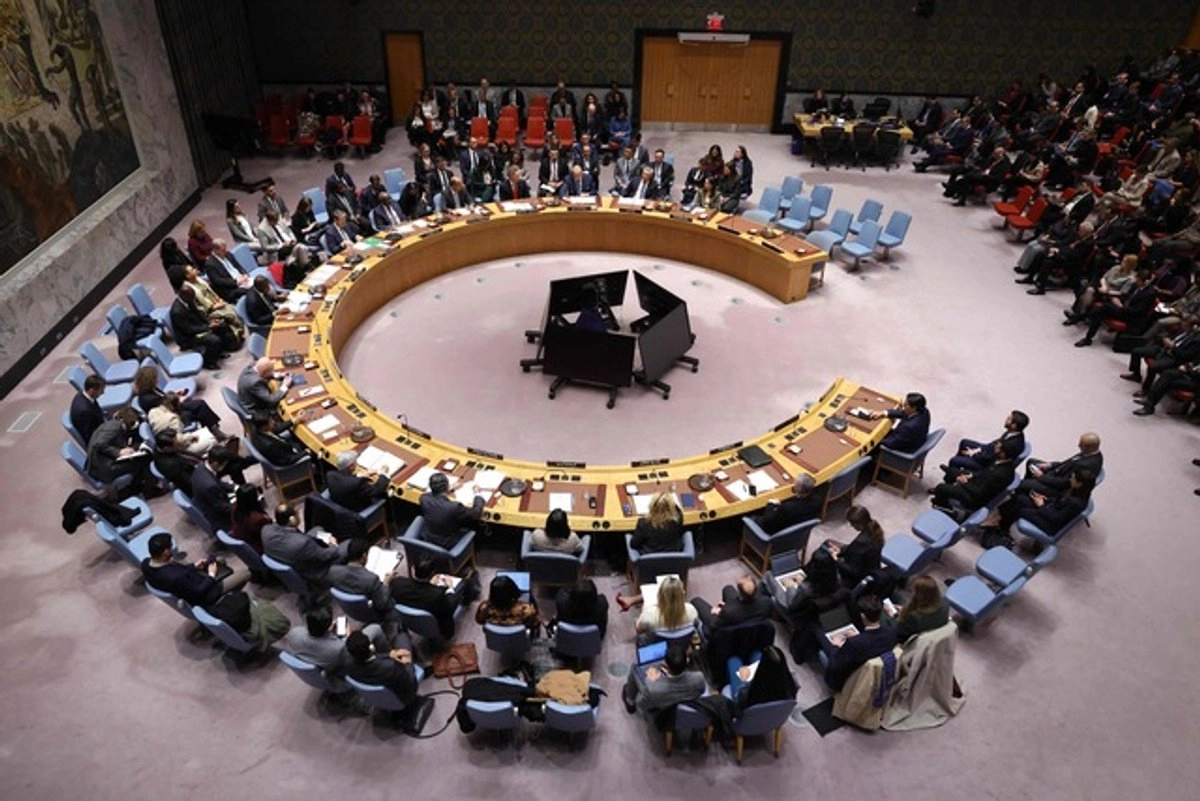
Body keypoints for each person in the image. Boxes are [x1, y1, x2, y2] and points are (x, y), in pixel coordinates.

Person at [141, 531, 250, 609]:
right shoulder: (174, 577)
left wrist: (194, 566)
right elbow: (199, 591)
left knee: (219, 560)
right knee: (246, 574)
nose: (172, 549)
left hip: (189, 584)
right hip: (206, 594)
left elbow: (180, 573)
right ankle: (227, 600)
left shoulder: (145, 564)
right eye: (170, 547)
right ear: (165, 552)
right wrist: (211, 575)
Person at [261, 503, 350, 587]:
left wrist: (326, 539)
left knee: (317, 529)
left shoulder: (265, 530)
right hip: (314, 570)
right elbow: (325, 556)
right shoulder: (302, 544)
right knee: (349, 544)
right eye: (297, 514)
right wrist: (334, 545)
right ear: (292, 519)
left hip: (292, 556)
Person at [823, 594, 898, 692]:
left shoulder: (854, 643)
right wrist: (858, 637)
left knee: (824, 647)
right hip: (878, 674)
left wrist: (836, 646)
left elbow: (835, 666)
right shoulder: (891, 632)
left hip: (849, 680)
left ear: (862, 616)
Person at [930, 438, 1022, 514]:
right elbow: (983, 473)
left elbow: (980, 492)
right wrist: (970, 476)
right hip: (976, 483)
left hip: (974, 498)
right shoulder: (1002, 462)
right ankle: (950, 481)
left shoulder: (999, 474)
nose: (995, 447)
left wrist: (964, 482)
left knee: (940, 488)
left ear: (1003, 453)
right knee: (953, 472)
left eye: (998, 448)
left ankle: (945, 507)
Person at [389, 557, 471, 640]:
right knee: (465, 583)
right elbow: (450, 606)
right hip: (439, 625)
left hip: (412, 623)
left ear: (413, 569)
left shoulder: (397, 584)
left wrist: (431, 586)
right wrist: (450, 587)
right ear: (432, 573)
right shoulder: (437, 594)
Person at [85, 408, 159, 495]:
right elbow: (98, 444)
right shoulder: (114, 428)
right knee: (144, 459)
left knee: (137, 456)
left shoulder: (113, 423)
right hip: (105, 468)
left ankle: (136, 486)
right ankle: (149, 491)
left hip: (102, 459)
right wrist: (118, 452)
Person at [341, 629, 418, 709]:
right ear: (371, 647)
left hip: (376, 695)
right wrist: (408, 663)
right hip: (405, 696)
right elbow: (410, 680)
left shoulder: (347, 665)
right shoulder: (391, 667)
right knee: (402, 636)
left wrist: (388, 655)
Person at [943, 410, 1029, 480]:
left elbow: (991, 458)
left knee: (954, 461)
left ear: (1014, 425)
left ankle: (949, 480)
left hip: (987, 465)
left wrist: (974, 454)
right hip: (988, 453)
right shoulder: (1013, 432)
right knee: (964, 442)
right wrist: (979, 449)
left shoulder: (1012, 444)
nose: (1006, 419)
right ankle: (955, 472)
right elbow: (995, 443)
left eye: (1009, 419)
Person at [621, 643, 705, 714]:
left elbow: (640, 704)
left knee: (634, 669)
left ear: (667, 667)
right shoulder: (699, 678)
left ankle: (630, 702)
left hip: (659, 702)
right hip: (679, 702)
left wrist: (650, 679)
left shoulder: (652, 687)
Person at [327, 538, 397, 622]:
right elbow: (382, 604)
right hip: (375, 612)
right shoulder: (371, 579)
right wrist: (386, 582)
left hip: (353, 611)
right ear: (364, 556)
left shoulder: (332, 571)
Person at [823, 505, 885, 588]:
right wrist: (840, 550)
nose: (851, 526)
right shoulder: (874, 530)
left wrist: (836, 560)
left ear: (858, 524)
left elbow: (853, 571)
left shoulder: (861, 542)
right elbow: (854, 549)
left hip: (855, 578)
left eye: (852, 524)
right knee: (830, 544)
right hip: (870, 567)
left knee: (824, 555)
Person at [418, 472, 484, 548]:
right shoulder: (454, 507)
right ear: (447, 486)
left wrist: (449, 489)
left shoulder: (423, 498)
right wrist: (478, 495)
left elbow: (430, 494)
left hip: (427, 537)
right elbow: (476, 514)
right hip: (446, 544)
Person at [618, 575, 698, 635]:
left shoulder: (649, 614)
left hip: (657, 644)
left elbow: (639, 630)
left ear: (659, 597)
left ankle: (631, 600)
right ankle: (631, 600)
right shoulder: (692, 611)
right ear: (682, 595)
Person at [691, 575, 773, 633]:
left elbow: (713, 625)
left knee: (696, 601)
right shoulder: (767, 602)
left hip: (731, 629)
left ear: (740, 594)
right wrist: (726, 607)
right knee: (728, 588)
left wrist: (715, 613)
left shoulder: (728, 612)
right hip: (748, 619)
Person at [725, 644, 797, 710]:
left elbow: (741, 696)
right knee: (756, 654)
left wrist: (747, 682)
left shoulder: (753, 691)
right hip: (770, 704)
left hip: (745, 698)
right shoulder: (791, 686)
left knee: (734, 660)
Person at [752, 474, 821, 534]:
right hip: (796, 531)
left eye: (795, 483)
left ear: (798, 488)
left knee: (751, 517)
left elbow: (768, 521)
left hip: (776, 532)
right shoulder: (817, 501)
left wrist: (771, 504)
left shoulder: (788, 508)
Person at [474, 574, 540, 633]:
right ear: (513, 591)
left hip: (496, 639)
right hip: (518, 639)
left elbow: (479, 621)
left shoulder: (484, 608)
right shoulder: (526, 609)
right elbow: (536, 624)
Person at [893, 575, 950, 643]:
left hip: (910, 639)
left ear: (919, 595)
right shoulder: (945, 604)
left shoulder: (914, 617)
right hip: (933, 633)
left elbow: (900, 633)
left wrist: (896, 616)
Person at [190, 449, 236, 531]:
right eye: (224, 464)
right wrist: (240, 507)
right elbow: (222, 508)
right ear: (215, 463)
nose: (224, 467)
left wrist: (234, 487)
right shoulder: (210, 486)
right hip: (217, 516)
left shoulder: (201, 466)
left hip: (209, 501)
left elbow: (218, 483)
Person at [237, 357, 291, 425]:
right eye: (271, 371)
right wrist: (285, 386)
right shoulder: (255, 382)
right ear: (264, 372)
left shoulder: (251, 367)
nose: (272, 372)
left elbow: (263, 372)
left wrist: (276, 375)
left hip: (247, 399)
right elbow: (271, 399)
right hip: (256, 410)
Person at [202, 238, 250, 304]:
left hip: (242, 280)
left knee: (257, 282)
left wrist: (245, 274)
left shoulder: (228, 254)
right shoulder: (210, 265)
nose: (226, 251)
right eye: (223, 250)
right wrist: (236, 282)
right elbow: (218, 282)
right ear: (215, 250)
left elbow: (238, 266)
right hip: (230, 288)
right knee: (250, 290)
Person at [230, 484, 269, 554]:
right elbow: (268, 536)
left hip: (249, 544)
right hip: (260, 547)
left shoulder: (235, 509)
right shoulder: (258, 519)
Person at [69, 374, 107, 446]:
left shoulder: (83, 395)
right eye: (101, 390)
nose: (103, 393)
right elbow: (91, 437)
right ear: (92, 390)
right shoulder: (84, 412)